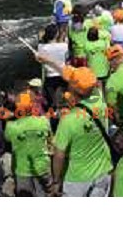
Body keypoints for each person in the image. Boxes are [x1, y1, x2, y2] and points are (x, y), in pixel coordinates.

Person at [35, 54, 112, 197]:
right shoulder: (99, 100)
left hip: (77, 179)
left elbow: (59, 155)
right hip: (103, 171)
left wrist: (56, 181)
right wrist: (49, 60)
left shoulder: (68, 121)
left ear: (71, 89)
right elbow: (68, 73)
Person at [4, 92, 53, 196]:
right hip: (42, 167)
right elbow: (50, 139)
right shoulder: (44, 122)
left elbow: (7, 139)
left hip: (22, 171)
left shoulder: (11, 127)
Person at [37, 24, 69, 110]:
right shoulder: (64, 46)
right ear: (56, 34)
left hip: (50, 77)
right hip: (63, 75)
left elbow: (40, 40)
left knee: (50, 101)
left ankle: (53, 113)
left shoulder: (41, 47)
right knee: (66, 98)